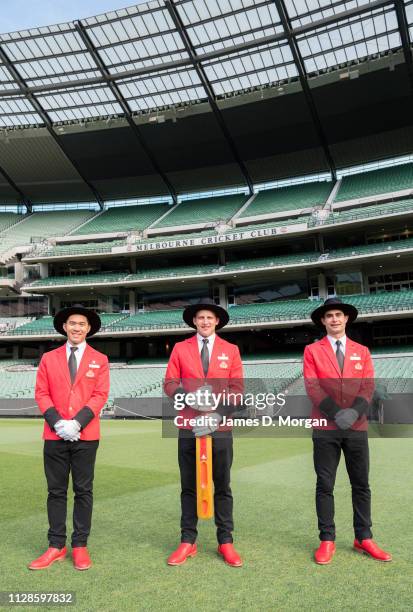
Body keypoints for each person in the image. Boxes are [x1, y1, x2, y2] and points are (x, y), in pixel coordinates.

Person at [303, 297, 392, 564]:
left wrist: (353, 412)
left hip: (356, 427)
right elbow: (313, 385)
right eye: (329, 315)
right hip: (326, 427)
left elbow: (367, 386)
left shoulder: (362, 351)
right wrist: (336, 413)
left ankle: (363, 537)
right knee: (325, 484)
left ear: (346, 319)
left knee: (361, 484)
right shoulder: (312, 350)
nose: (334, 319)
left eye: (338, 314)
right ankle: (327, 540)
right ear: (323, 320)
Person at [29, 304, 109, 571]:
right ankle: (56, 545)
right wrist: (58, 423)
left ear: (88, 329)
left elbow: (100, 395)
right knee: (56, 491)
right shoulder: (48, 358)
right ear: (65, 327)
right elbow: (41, 393)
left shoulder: (100, 359)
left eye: (82, 324)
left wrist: (77, 423)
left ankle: (80, 545)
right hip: (54, 436)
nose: (77, 328)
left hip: (86, 435)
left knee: (84, 490)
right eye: (72, 323)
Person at [164, 299, 244, 567]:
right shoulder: (180, 348)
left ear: (217, 321)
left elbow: (237, 391)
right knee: (189, 486)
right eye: (200, 318)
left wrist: (217, 414)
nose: (205, 322)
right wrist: (190, 400)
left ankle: (226, 541)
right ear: (194, 322)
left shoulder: (230, 350)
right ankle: (188, 540)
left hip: (220, 428)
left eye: (209, 318)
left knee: (222, 485)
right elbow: (170, 383)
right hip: (189, 427)